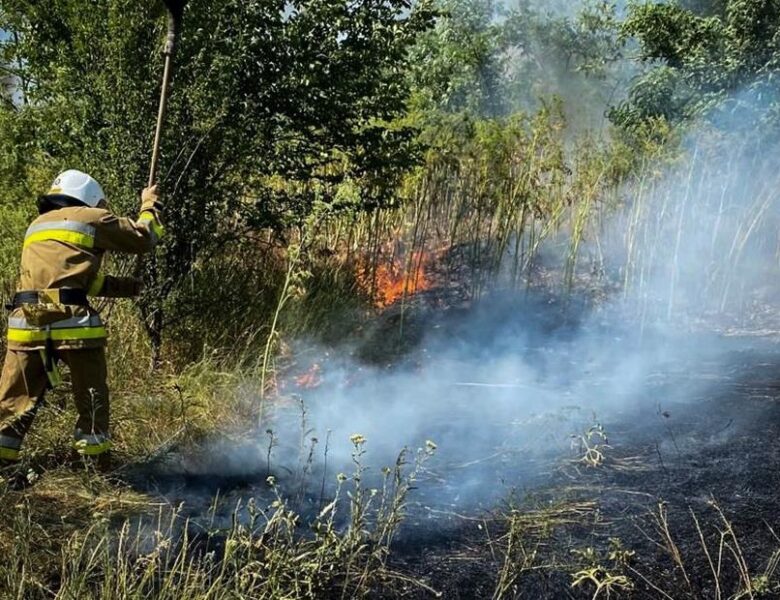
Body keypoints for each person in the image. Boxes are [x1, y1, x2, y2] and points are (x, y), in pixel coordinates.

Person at [0, 170, 164, 484]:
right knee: (91, 399)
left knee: (14, 400)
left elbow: (74, 279)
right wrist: (148, 206)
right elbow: (145, 237)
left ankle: (2, 467)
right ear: (91, 198)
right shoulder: (92, 218)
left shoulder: (38, 225)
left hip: (28, 319)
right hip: (72, 322)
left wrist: (125, 287)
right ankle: (91, 472)